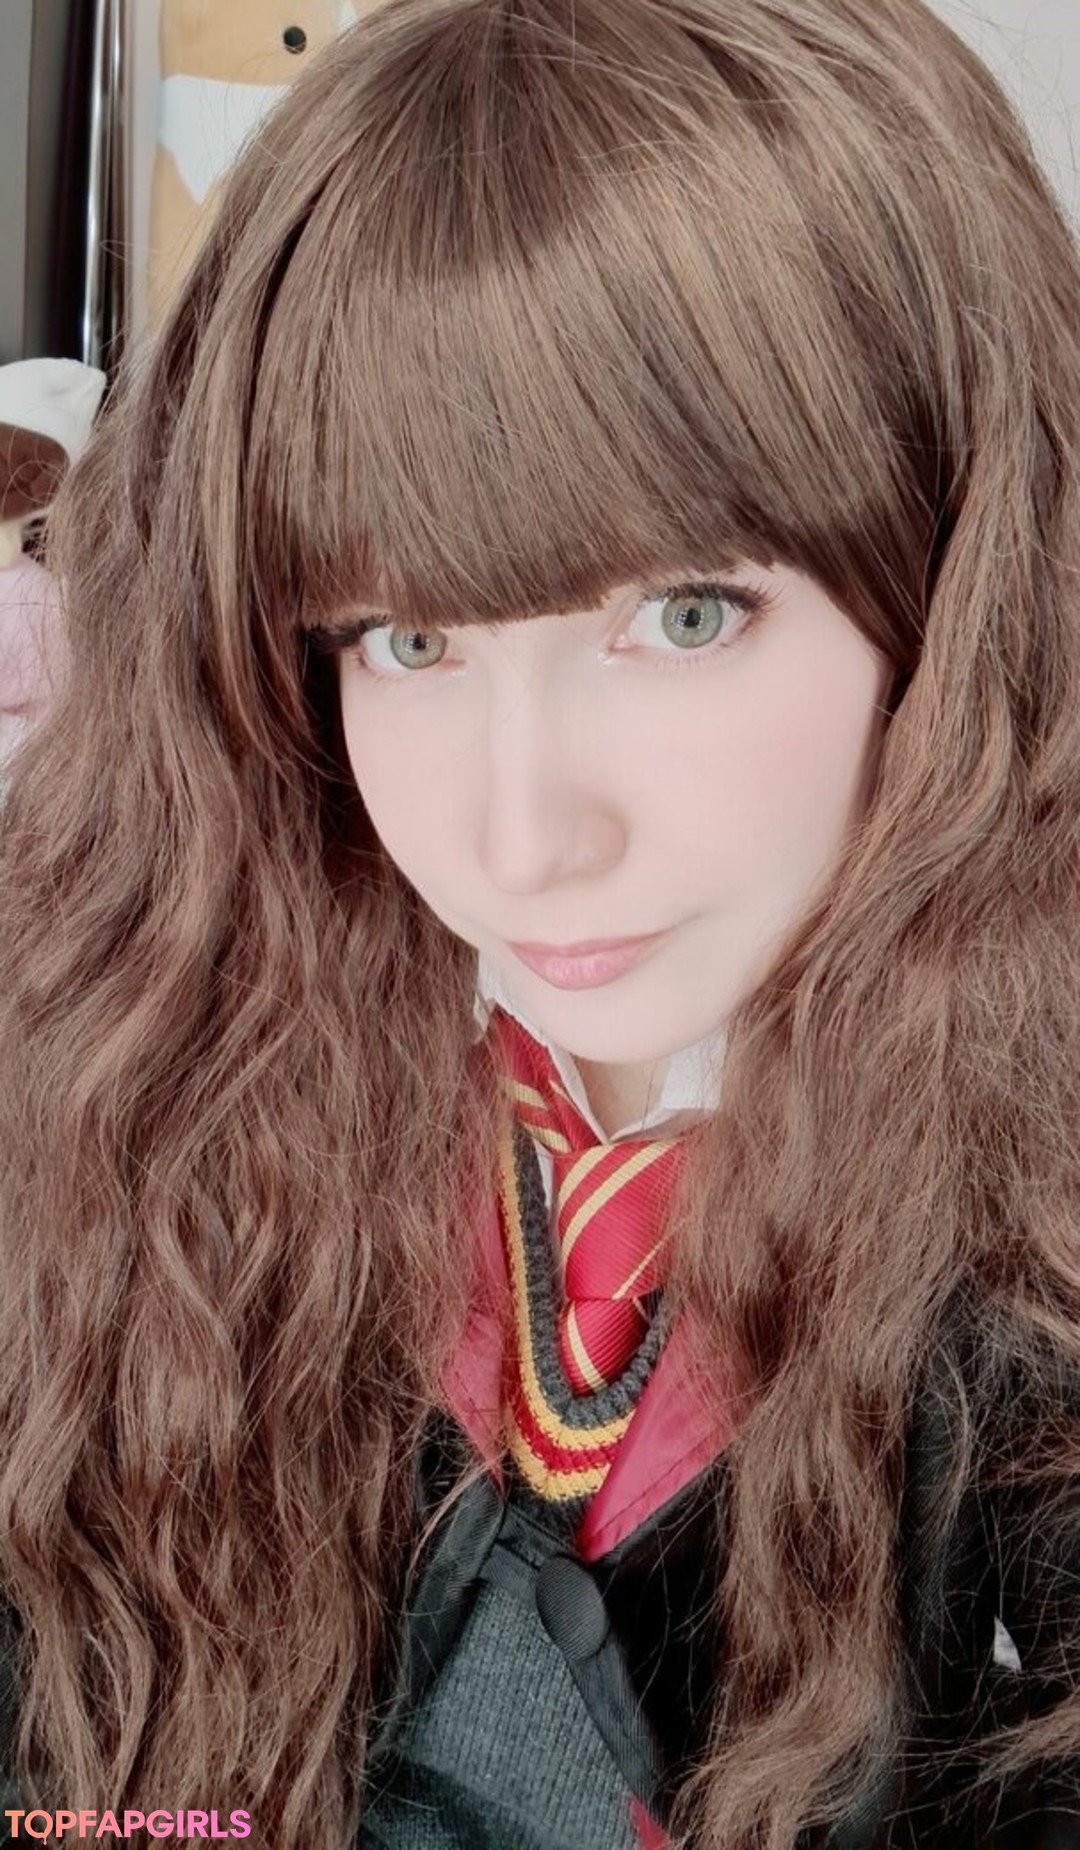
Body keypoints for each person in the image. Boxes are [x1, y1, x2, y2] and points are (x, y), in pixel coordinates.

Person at [1, 0, 1079, 1845]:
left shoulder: (1027, 1242)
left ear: (955, 580)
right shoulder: (143, 1118)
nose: (519, 836)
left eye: (682, 615)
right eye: (407, 638)